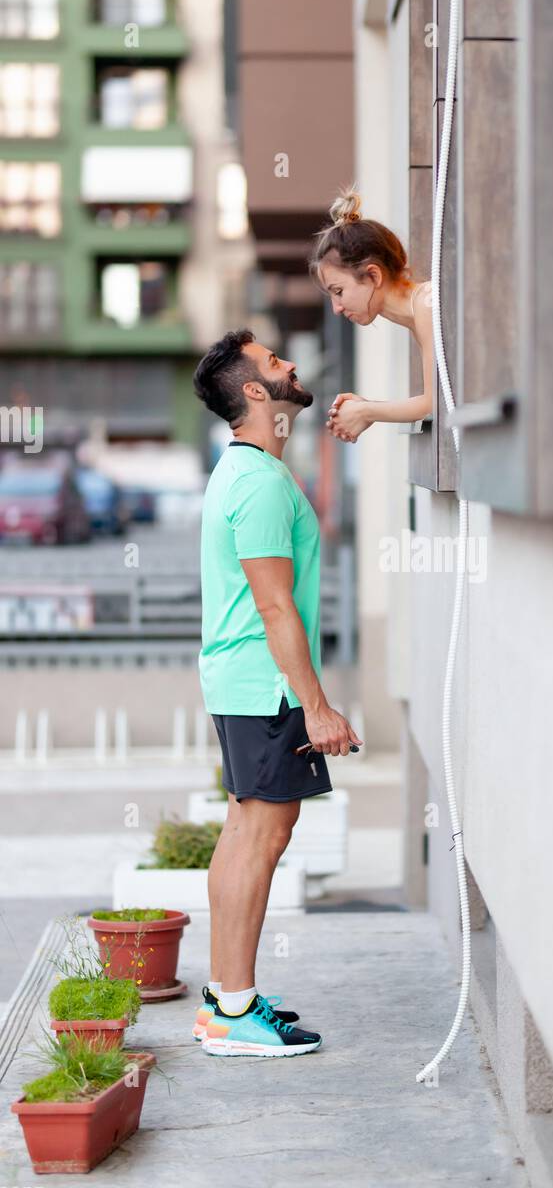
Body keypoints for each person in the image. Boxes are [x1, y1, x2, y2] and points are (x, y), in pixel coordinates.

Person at [191, 330, 363, 1058]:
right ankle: (232, 1011)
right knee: (262, 837)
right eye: (273, 362)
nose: (290, 364)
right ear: (256, 393)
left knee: (245, 833)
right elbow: (275, 607)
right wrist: (316, 705)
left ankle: (226, 997)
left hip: (242, 680)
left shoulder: (244, 471)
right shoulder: (258, 483)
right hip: (265, 685)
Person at [308, 184, 435, 443]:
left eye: (339, 291)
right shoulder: (417, 312)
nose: (336, 308)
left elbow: (434, 404)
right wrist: (366, 408)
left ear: (373, 275)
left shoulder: (426, 305)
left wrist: (366, 411)